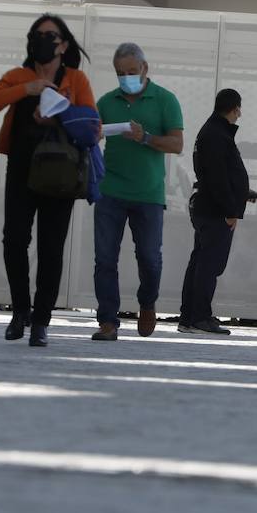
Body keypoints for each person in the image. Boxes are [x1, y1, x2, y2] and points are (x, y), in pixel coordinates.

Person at [0, 14, 96, 348]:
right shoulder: (19, 76)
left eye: (50, 36)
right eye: (37, 35)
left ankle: (41, 321)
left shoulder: (76, 78)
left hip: (61, 171)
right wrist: (27, 89)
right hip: (21, 167)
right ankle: (20, 311)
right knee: (13, 239)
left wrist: (59, 111)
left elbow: (92, 124)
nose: (43, 41)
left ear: (64, 44)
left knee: (51, 247)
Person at [90, 43, 184, 341]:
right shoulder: (106, 102)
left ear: (145, 68)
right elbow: (89, 136)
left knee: (149, 257)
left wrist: (145, 137)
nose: (126, 77)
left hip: (149, 193)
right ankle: (108, 321)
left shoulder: (166, 100)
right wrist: (91, 133)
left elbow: (177, 144)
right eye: (120, 73)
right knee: (105, 258)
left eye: (131, 71)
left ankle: (147, 302)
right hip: (110, 190)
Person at [179, 88, 254, 335]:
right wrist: (231, 209)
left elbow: (222, 174)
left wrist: (242, 193)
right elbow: (218, 178)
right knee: (209, 264)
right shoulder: (216, 135)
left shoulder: (213, 132)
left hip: (209, 207)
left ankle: (190, 317)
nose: (240, 114)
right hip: (214, 211)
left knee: (201, 261)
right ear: (234, 108)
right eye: (239, 109)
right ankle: (199, 317)